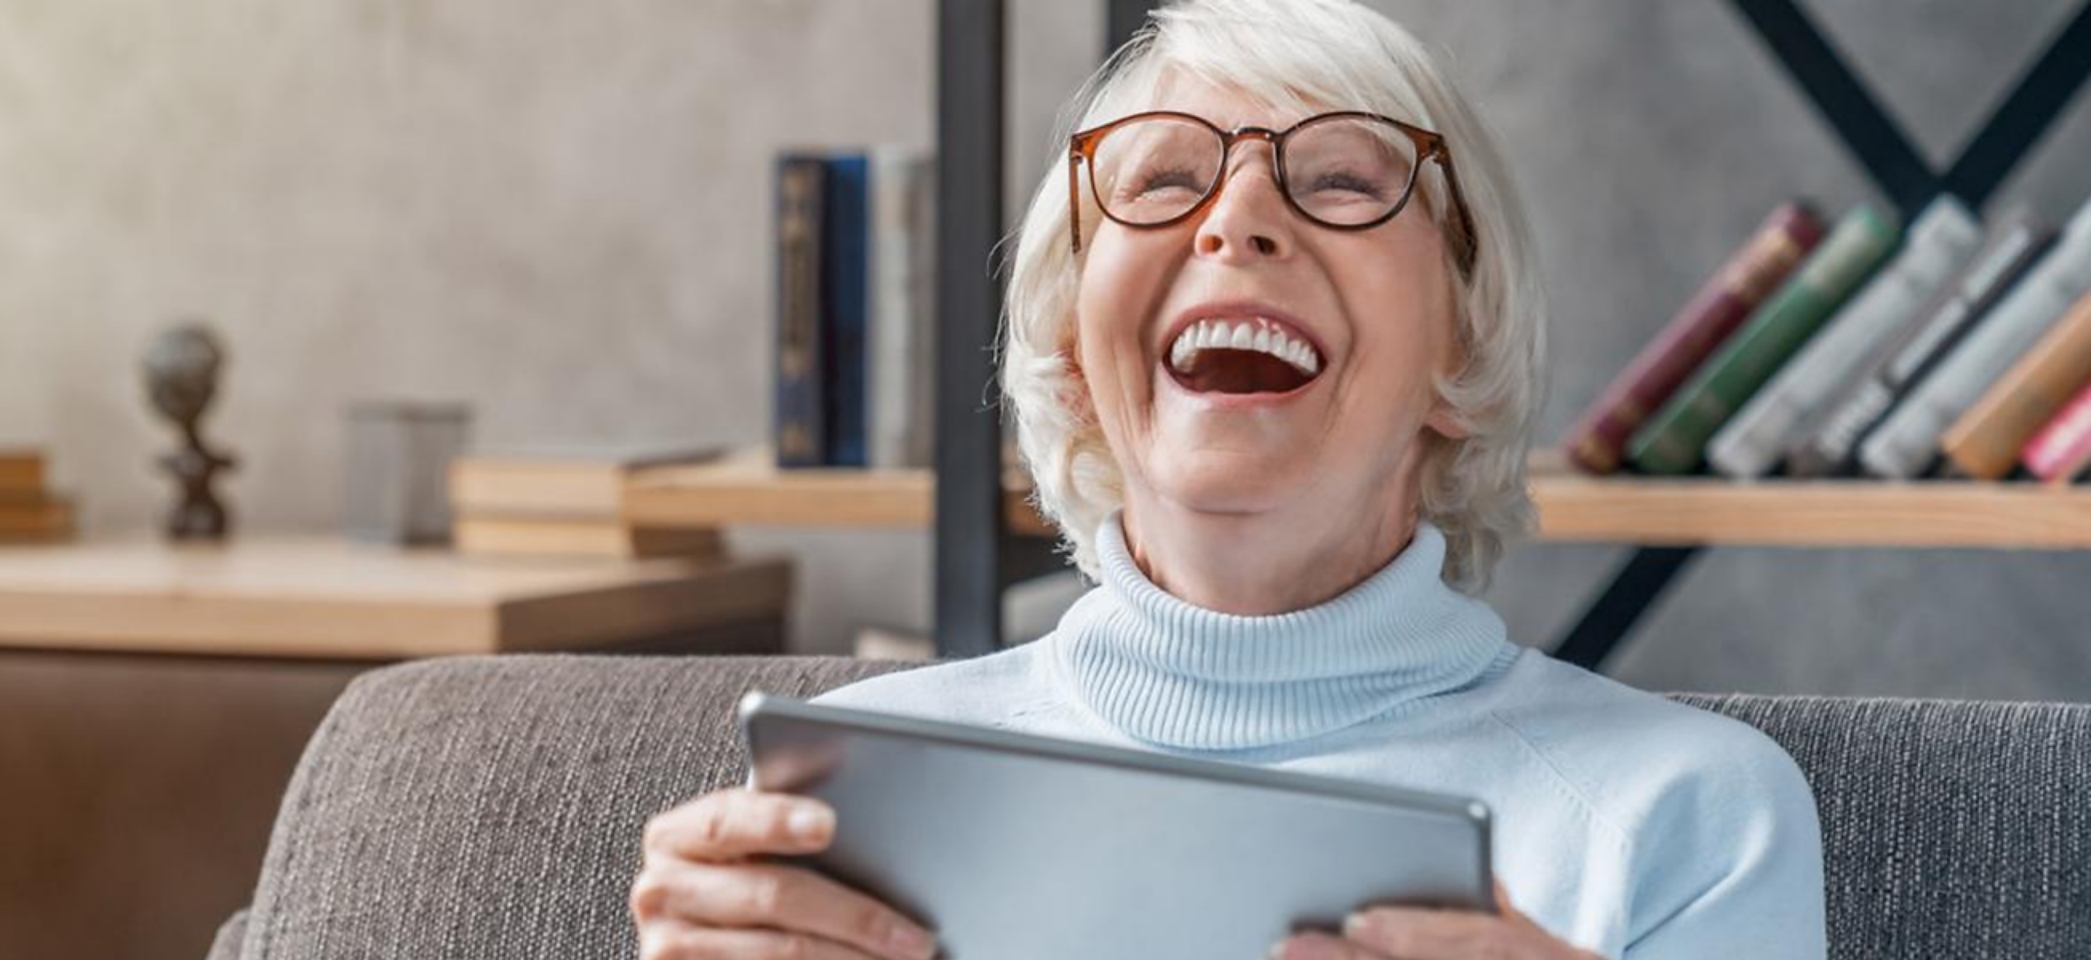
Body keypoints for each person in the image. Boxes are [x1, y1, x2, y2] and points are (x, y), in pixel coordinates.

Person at [631, 1, 1827, 956]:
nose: (1236, 219)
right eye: (1160, 181)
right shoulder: (849, 797)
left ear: (1463, 349)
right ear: (1069, 349)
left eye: (1345, 182)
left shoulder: (1687, 817)